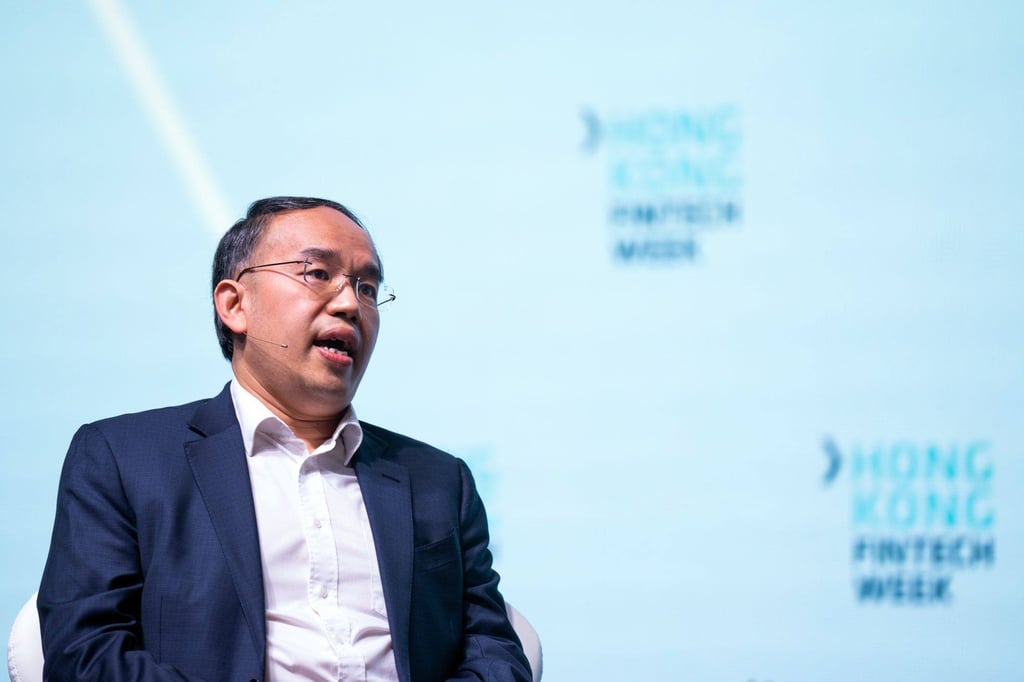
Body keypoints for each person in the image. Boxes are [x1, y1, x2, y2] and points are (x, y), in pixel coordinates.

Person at [37, 196, 531, 681]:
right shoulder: (124, 459)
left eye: (367, 287)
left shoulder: (439, 480)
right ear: (235, 305)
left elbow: (494, 655)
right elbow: (86, 655)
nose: (350, 304)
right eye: (317, 273)